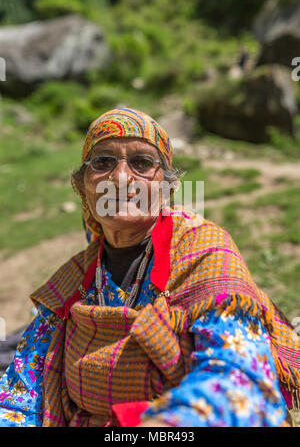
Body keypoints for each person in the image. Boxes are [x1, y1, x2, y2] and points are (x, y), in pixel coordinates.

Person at [0, 107, 299, 427]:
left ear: (166, 187)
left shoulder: (203, 252)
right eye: (103, 162)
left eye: (142, 163)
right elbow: (22, 392)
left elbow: (240, 375)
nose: (121, 178)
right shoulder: (74, 281)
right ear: (83, 185)